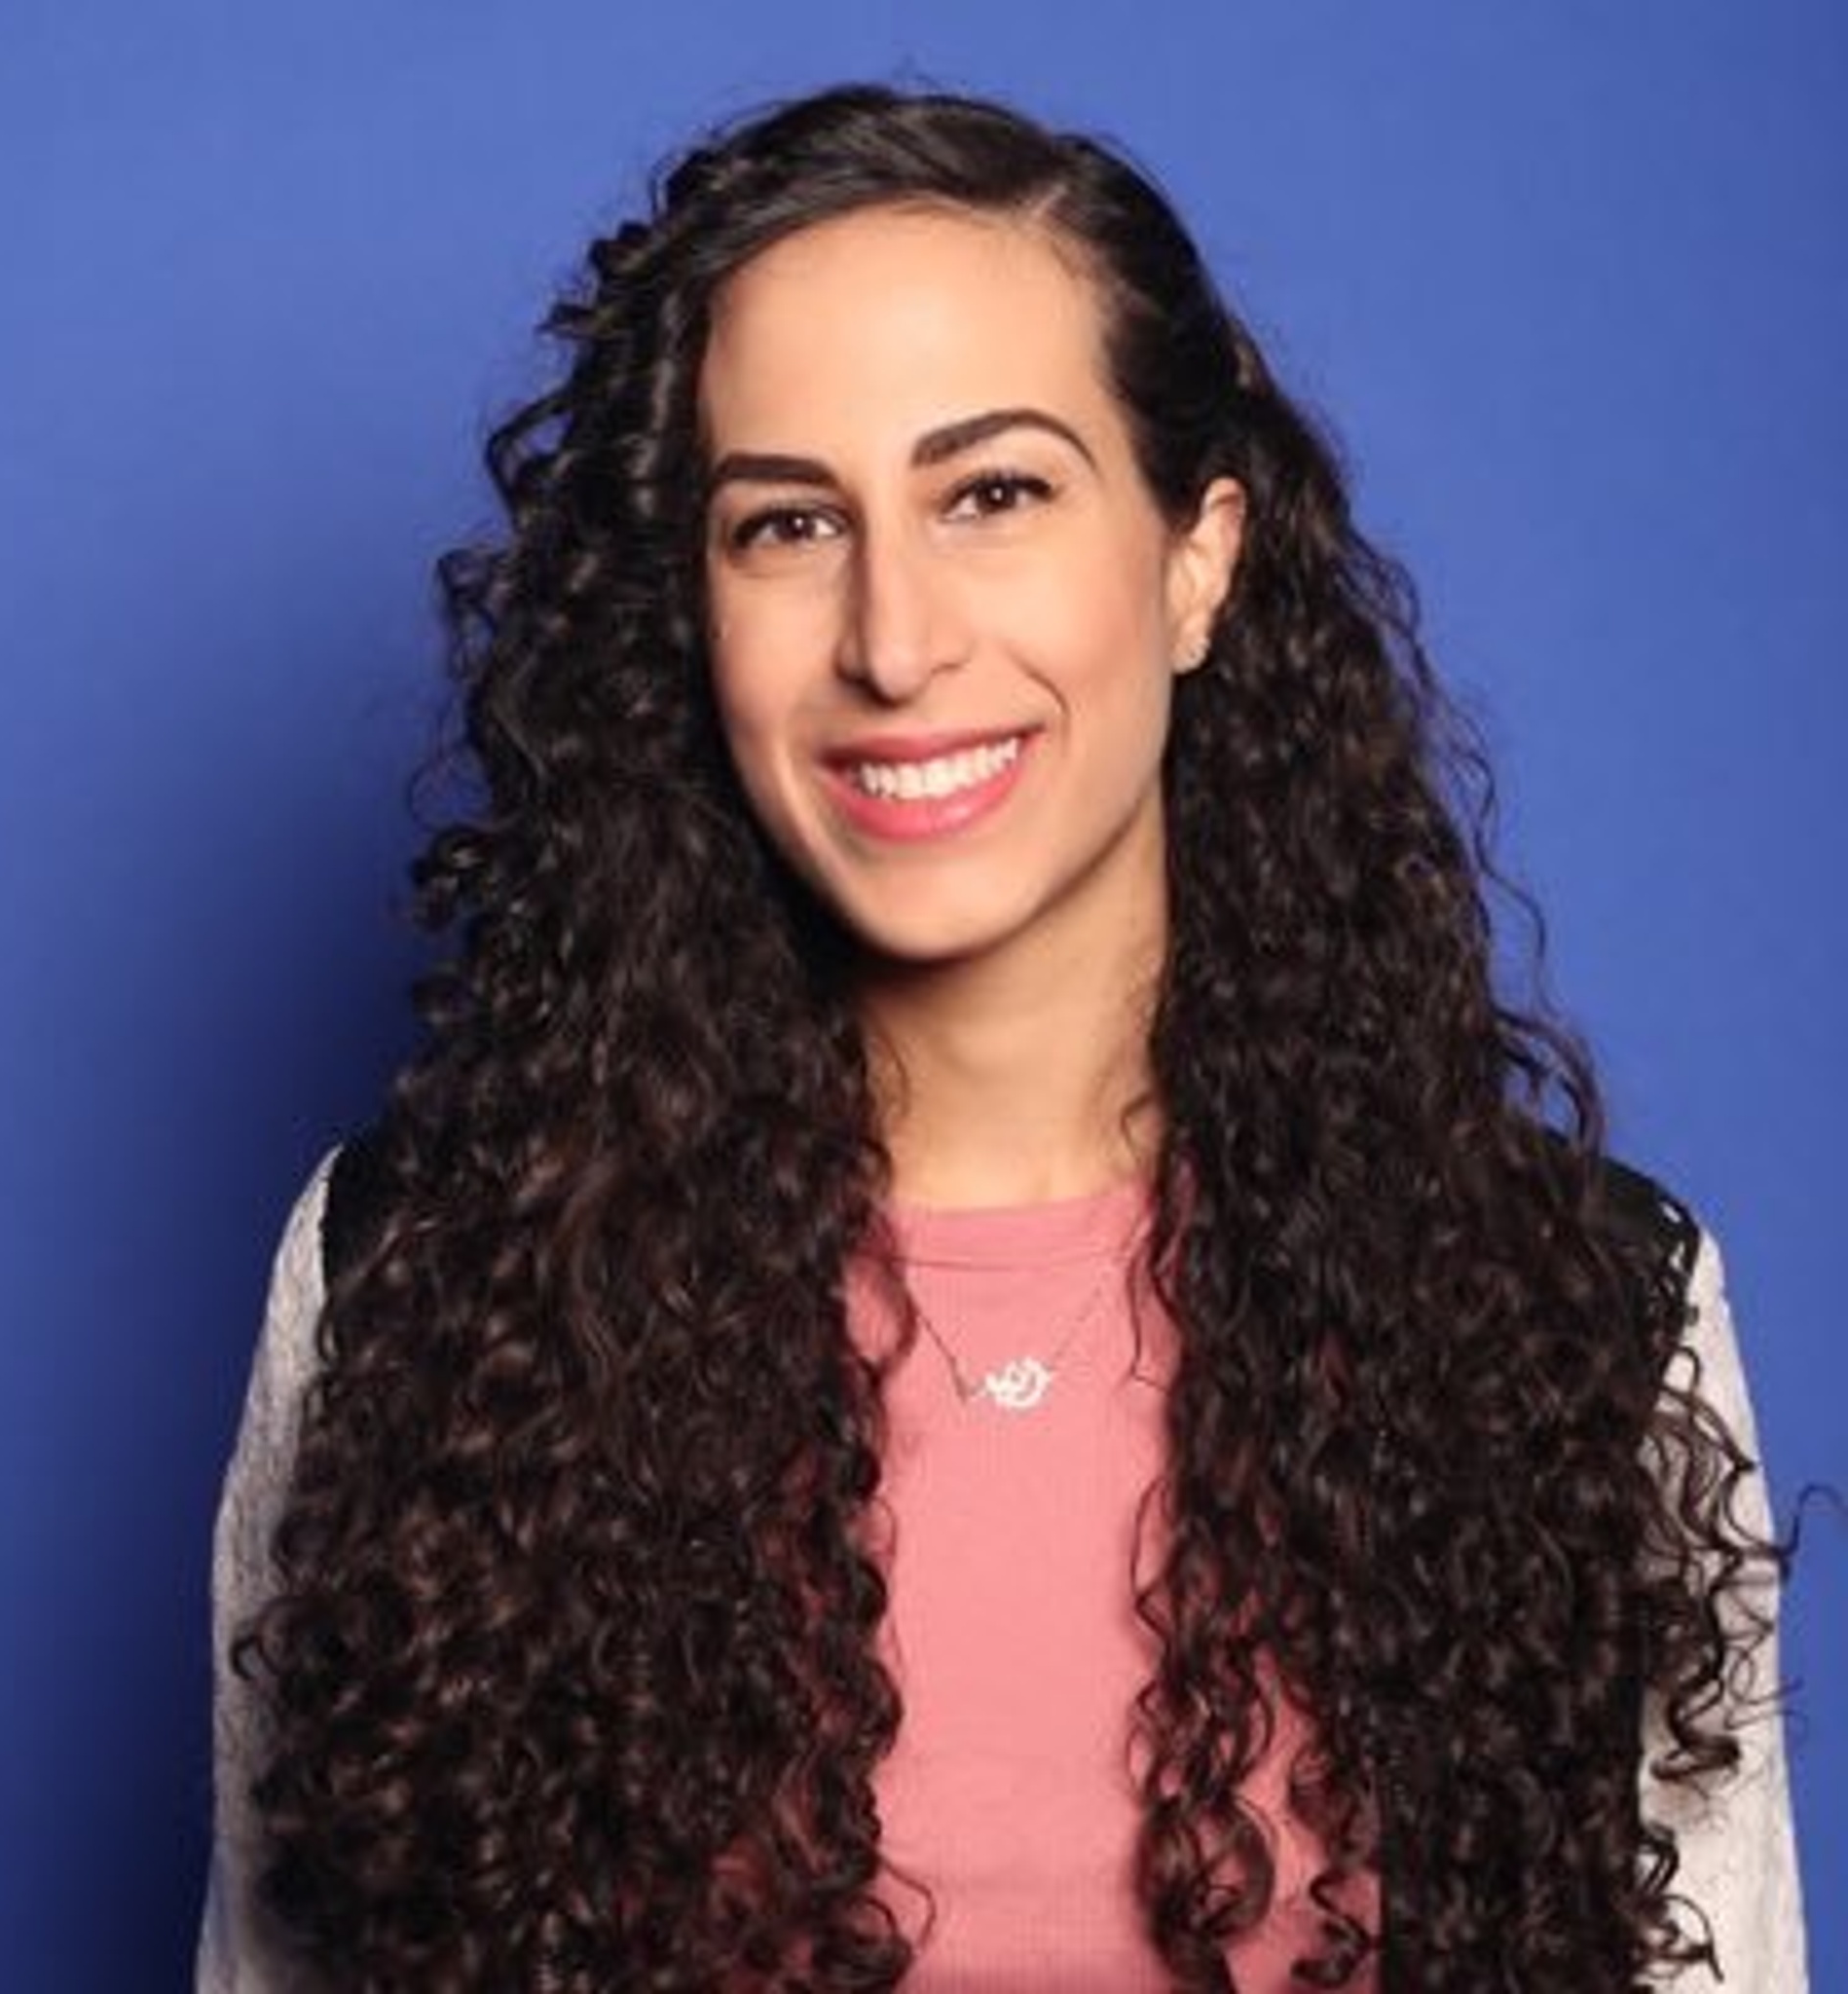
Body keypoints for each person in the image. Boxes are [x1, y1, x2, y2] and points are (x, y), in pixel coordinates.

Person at [199, 85, 1806, 1991]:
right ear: (691, 613)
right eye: (786, 521)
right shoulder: (418, 1285)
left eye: (994, 493)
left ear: (1196, 557)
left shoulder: (1575, 1307)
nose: (893, 634)